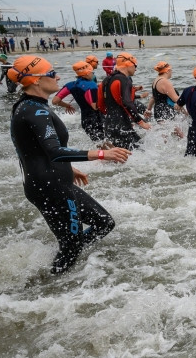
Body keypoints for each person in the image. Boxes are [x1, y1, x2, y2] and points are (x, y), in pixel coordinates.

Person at [8, 55, 130, 274]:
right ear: (35, 80)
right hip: (49, 186)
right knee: (71, 244)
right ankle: (50, 287)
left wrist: (69, 168)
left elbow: (32, 148)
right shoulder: (36, 112)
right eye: (51, 73)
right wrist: (102, 154)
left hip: (53, 179)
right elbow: (54, 150)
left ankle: (70, 260)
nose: (57, 76)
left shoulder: (28, 107)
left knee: (103, 223)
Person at [98, 52, 150, 150]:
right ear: (128, 64)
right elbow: (127, 103)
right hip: (122, 124)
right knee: (140, 151)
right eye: (135, 65)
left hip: (109, 124)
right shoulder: (125, 80)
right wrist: (140, 122)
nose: (136, 69)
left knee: (119, 157)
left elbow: (100, 105)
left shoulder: (106, 80)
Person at [51, 61, 104, 142]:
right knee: (107, 145)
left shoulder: (71, 85)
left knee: (100, 145)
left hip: (85, 121)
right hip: (97, 120)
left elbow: (55, 101)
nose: (93, 74)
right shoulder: (91, 85)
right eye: (91, 72)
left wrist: (66, 105)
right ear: (87, 73)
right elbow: (95, 106)